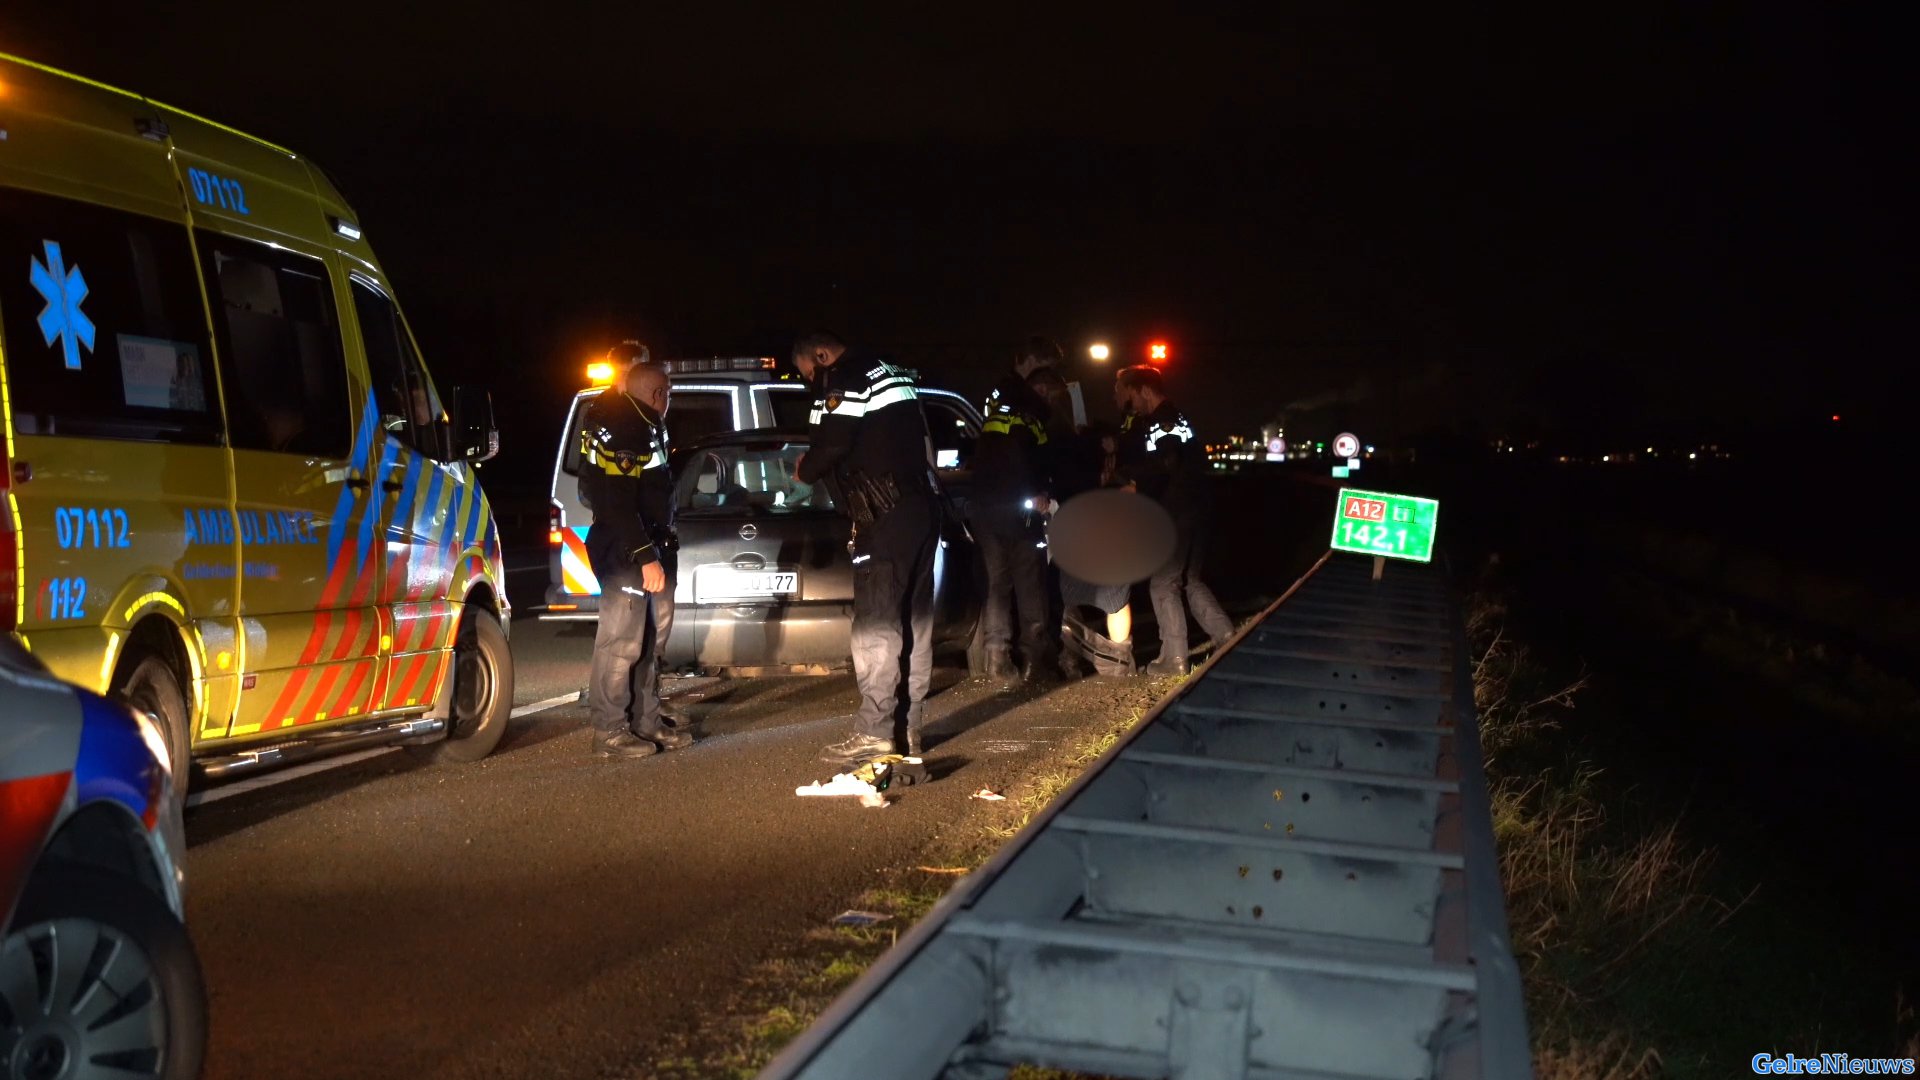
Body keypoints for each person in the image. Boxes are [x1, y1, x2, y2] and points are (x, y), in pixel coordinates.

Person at [792, 331, 942, 764]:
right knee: (915, 625)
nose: (812, 383)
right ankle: (908, 731)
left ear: (820, 355)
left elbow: (834, 443)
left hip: (883, 513)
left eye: (809, 373)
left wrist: (808, 469)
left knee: (877, 627)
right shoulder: (892, 370)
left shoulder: (848, 377)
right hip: (918, 508)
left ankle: (875, 734)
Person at [580, 356, 692, 759]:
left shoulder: (639, 420)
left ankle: (646, 721)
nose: (669, 400)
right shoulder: (628, 427)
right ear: (658, 393)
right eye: (669, 393)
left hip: (648, 546)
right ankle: (610, 732)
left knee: (648, 641)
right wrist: (645, 556)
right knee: (621, 643)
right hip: (628, 549)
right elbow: (617, 503)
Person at [1112, 364, 1234, 676]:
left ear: (1144, 390)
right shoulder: (1176, 417)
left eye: (1131, 396)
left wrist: (1135, 483)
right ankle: (1226, 636)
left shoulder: (1163, 419)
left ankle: (1174, 659)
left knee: (1163, 583)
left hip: (1178, 509)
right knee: (1190, 579)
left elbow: (1168, 461)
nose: (1131, 404)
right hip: (1198, 505)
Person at [970, 336, 1064, 683]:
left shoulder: (998, 406)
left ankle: (997, 658)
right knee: (1030, 583)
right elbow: (1025, 459)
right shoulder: (1030, 415)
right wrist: (1038, 493)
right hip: (1019, 512)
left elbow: (991, 456)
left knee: (996, 585)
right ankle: (1035, 661)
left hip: (984, 507)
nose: (1053, 401)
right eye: (1051, 391)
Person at [1029, 367, 1134, 672]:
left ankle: (1065, 654)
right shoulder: (1096, 438)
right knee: (1115, 596)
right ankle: (1119, 663)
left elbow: (1050, 480)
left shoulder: (1045, 436)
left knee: (1060, 591)